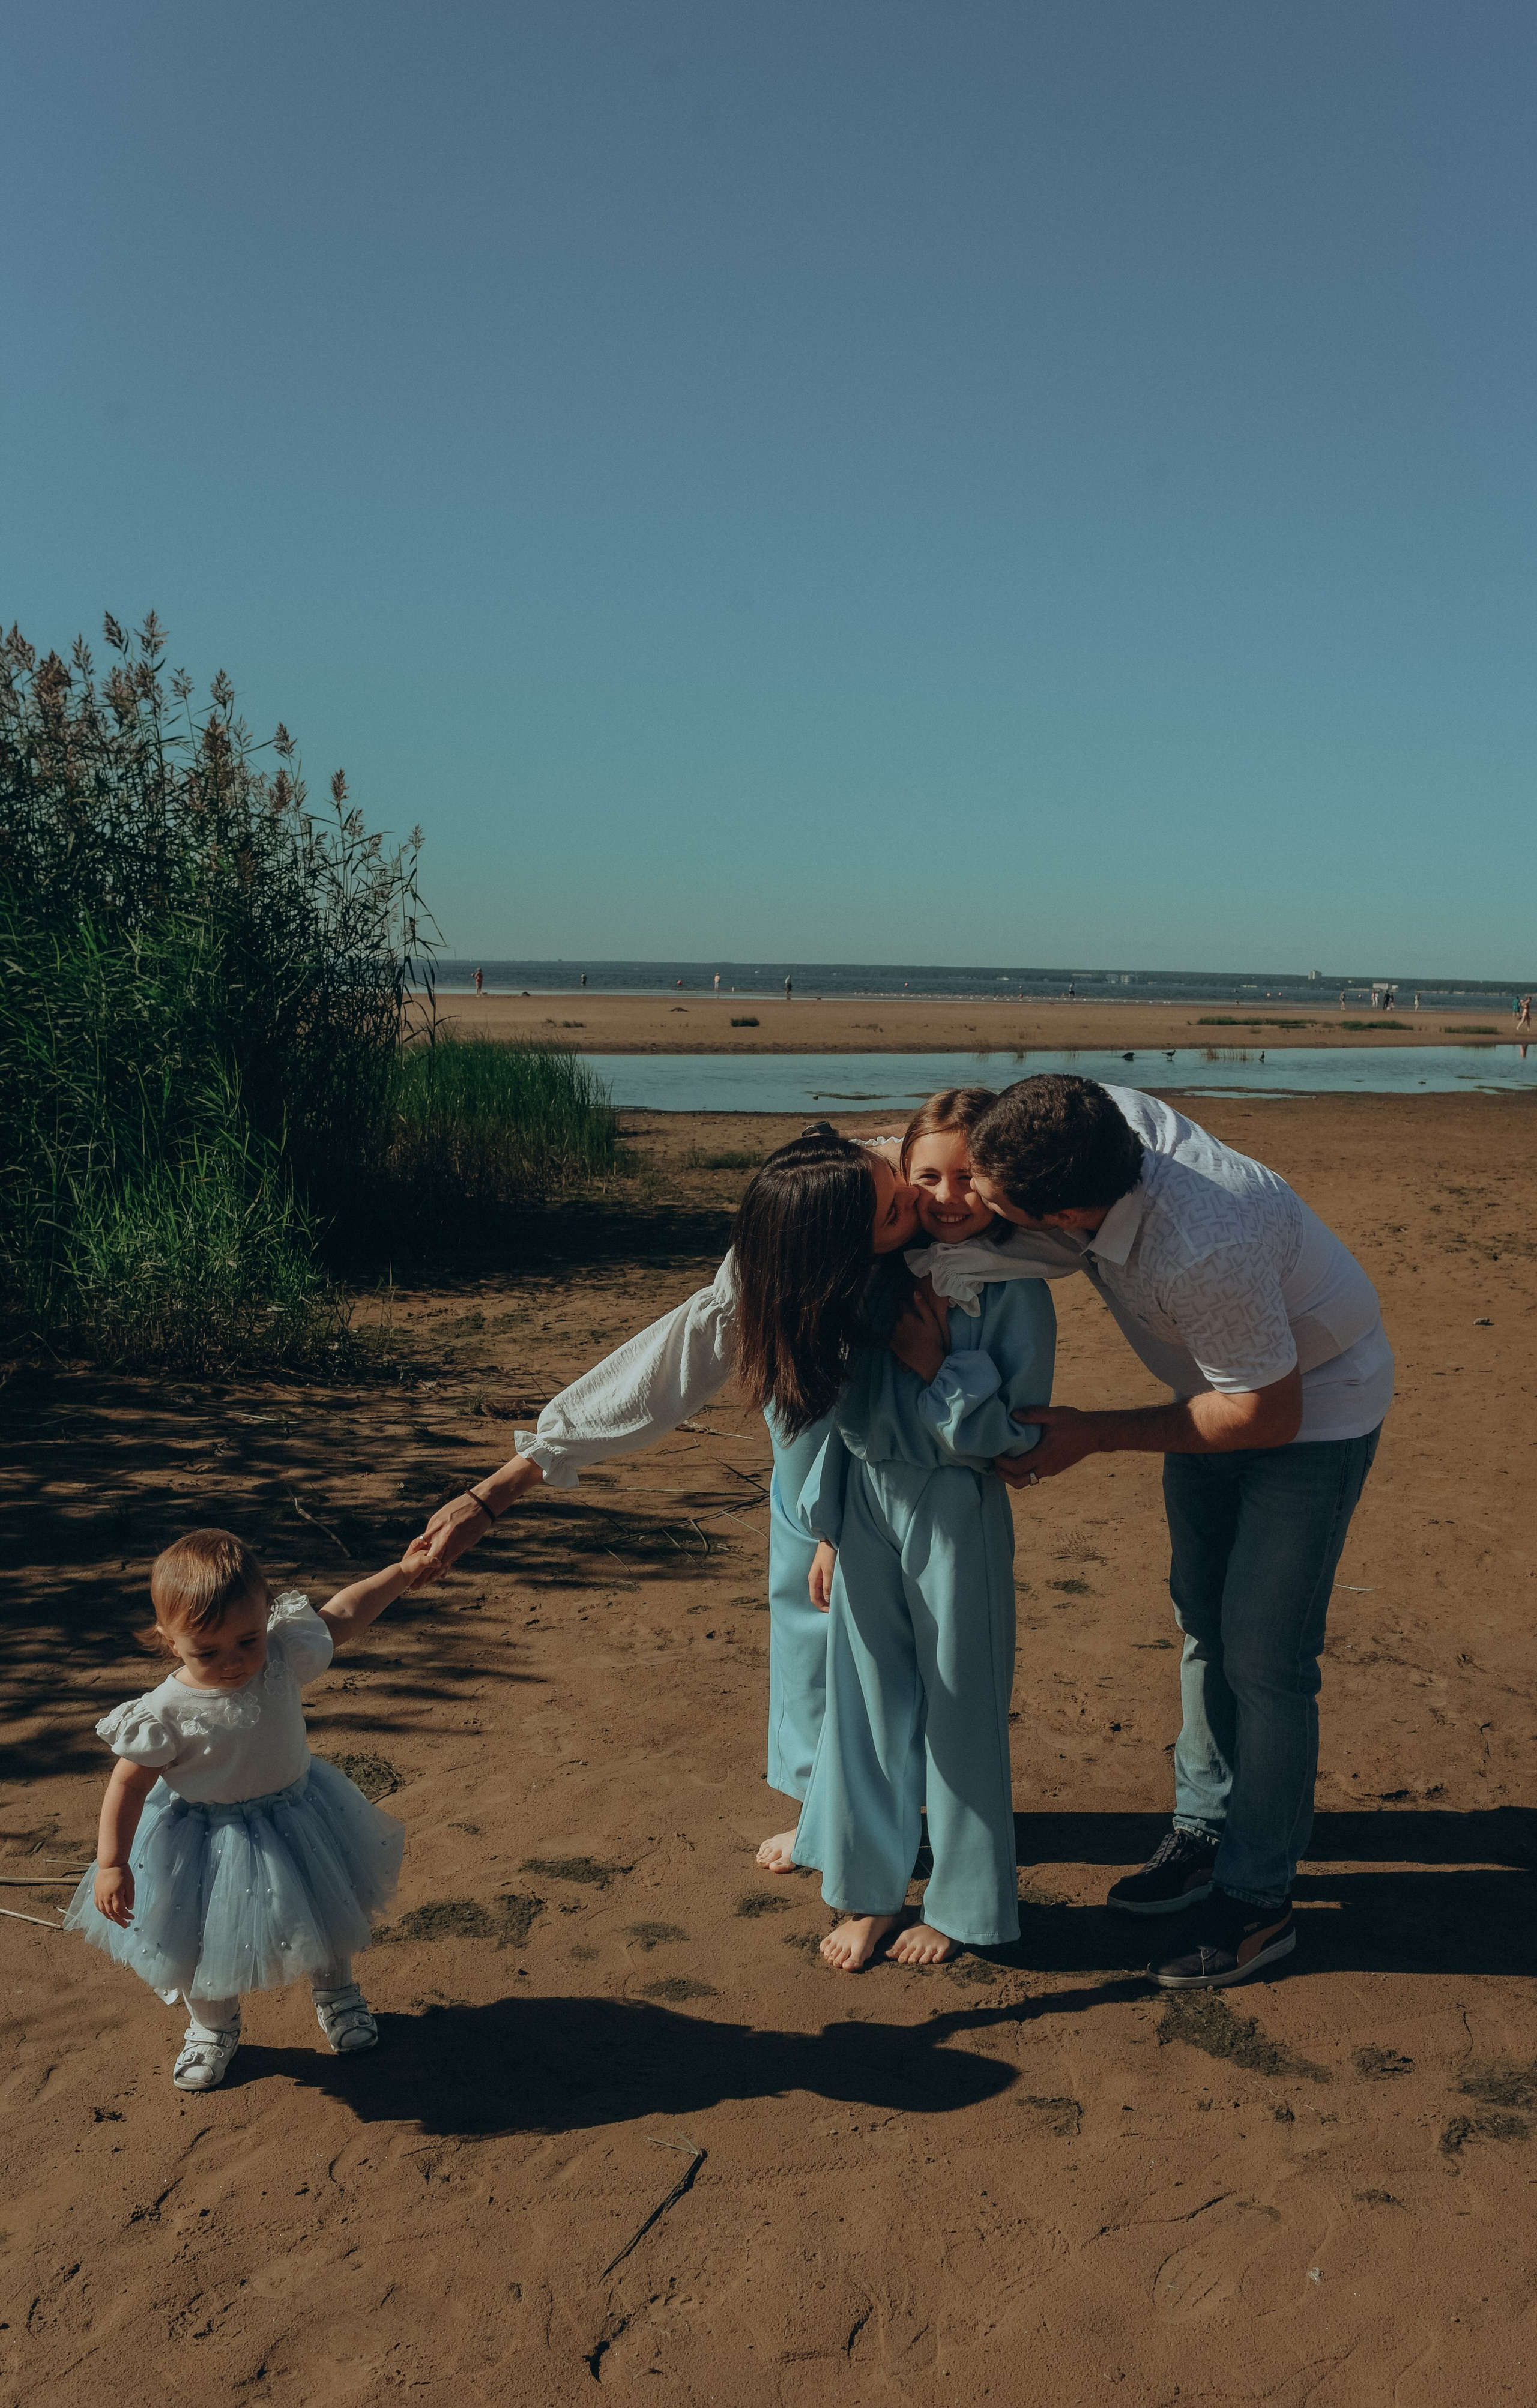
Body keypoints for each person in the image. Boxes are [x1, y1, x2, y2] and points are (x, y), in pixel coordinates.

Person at [954, 1075, 1391, 1991]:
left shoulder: (1202, 1243)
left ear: (1069, 1212)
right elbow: (950, 1151)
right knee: (1203, 1616)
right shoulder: (1089, 1118)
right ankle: (1205, 1824)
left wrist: (1092, 1432)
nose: (968, 1210)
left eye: (991, 1207)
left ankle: (1259, 1899)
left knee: (1267, 1657)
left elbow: (1267, 1415)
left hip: (1311, 1408)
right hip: (1216, 1388)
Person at [410, 1132, 923, 1873]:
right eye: (894, 1205)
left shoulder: (914, 1212)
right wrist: (497, 1490)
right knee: (811, 1636)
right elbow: (658, 1376)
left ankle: (885, 1805)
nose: (917, 1198)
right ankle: (825, 1805)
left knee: (890, 1644)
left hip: (894, 1476)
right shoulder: (772, 1268)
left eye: (901, 1185)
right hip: (806, 1472)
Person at [787, 1090, 1055, 1970]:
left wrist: (936, 1364)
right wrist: (828, 1528)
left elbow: (1013, 1433)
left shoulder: (1017, 1288)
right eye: (927, 1175)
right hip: (866, 1499)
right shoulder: (872, 1271)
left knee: (959, 1707)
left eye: (968, 1175)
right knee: (863, 1705)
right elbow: (842, 1413)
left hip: (955, 1507)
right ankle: (866, 1896)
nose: (946, 1195)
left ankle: (968, 1906)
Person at [65, 1527, 430, 2091]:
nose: (233, 1662)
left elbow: (346, 1613)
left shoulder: (282, 1653)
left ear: (266, 1620)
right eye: (207, 1651)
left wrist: (403, 1573)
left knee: (326, 1912)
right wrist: (112, 1862)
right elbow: (128, 1787)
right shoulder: (162, 1711)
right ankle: (212, 2027)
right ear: (169, 1640)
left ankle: (338, 1996)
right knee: (198, 1939)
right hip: (204, 1839)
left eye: (248, 1640)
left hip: (299, 1814)